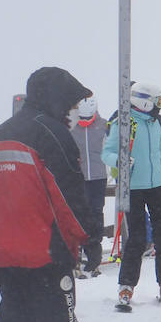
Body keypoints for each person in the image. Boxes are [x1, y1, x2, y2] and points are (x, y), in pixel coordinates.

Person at [0, 67, 110, 322]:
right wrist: (89, 237)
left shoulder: (3, 133)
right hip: (46, 251)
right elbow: (67, 196)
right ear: (57, 99)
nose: (73, 112)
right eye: (71, 103)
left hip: (6, 250)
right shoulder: (51, 134)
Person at [103, 82, 161, 309]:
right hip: (133, 187)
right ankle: (126, 285)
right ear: (144, 101)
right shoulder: (123, 122)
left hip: (156, 186)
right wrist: (118, 161)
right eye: (157, 102)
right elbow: (107, 152)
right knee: (137, 238)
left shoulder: (154, 123)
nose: (160, 107)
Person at [69, 97, 107, 277]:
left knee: (96, 215)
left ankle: (94, 260)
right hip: (79, 179)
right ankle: (76, 258)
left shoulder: (103, 127)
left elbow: (110, 148)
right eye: (82, 119)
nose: (85, 123)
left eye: (88, 119)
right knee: (78, 215)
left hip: (99, 178)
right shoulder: (73, 129)